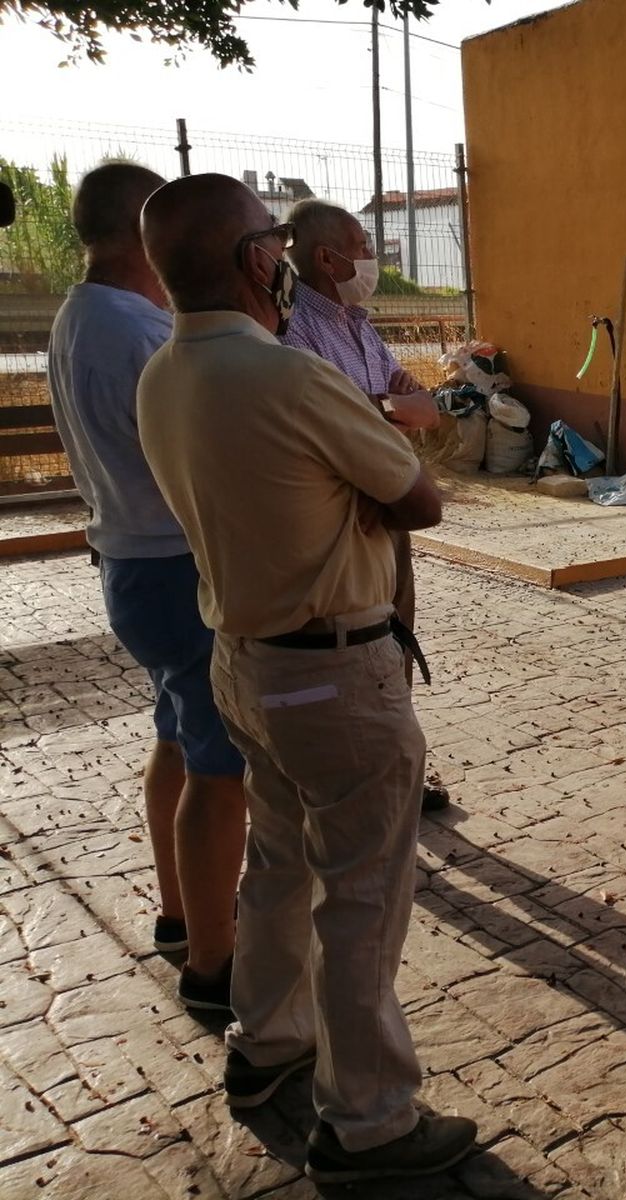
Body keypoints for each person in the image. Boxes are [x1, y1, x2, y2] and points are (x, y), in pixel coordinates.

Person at [137, 174, 476, 1183]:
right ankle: (369, 1121)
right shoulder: (289, 376)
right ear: (254, 260)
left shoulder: (164, 374)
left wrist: (341, 500)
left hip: (244, 662)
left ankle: (268, 1045)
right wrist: (356, 501)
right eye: (273, 242)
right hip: (334, 671)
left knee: (278, 865)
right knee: (363, 893)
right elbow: (417, 499)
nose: (283, 258)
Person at [46, 161, 246, 1013]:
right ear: (144, 238)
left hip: (131, 562)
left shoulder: (82, 316)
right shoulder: (139, 333)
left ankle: (180, 912)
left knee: (177, 737)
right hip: (174, 564)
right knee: (220, 766)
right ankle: (213, 966)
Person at [280, 197, 449, 814]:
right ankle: (349, 778)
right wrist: (385, 412)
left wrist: (384, 411)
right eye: (364, 246)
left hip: (388, 508)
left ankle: (399, 762)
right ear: (328, 257)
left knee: (395, 634)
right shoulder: (295, 327)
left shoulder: (358, 325)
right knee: (350, 645)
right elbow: (333, 422)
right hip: (339, 518)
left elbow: (422, 405)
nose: (372, 258)